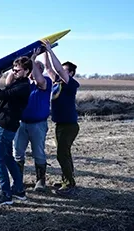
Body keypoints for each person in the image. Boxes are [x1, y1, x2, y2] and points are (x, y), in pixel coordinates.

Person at [0, 56, 32, 205]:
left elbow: (1, 95)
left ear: (27, 71)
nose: (14, 71)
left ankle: (5, 194)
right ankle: (18, 189)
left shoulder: (23, 86)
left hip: (5, 126)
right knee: (7, 158)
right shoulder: (18, 83)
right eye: (13, 69)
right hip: (7, 125)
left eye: (17, 70)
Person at [6, 48, 53, 191]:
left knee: (38, 152)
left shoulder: (46, 82)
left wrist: (32, 60)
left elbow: (40, 80)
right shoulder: (23, 84)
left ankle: (40, 181)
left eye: (35, 68)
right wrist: (13, 68)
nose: (32, 70)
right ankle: (17, 180)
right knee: (17, 153)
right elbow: (8, 83)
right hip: (21, 123)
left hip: (38, 124)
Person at [43, 40, 80, 196]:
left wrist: (51, 51)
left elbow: (57, 67)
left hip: (69, 125)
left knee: (61, 154)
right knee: (65, 153)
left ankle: (69, 184)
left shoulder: (71, 84)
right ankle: (68, 179)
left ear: (70, 73)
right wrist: (43, 50)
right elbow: (49, 68)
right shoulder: (56, 82)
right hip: (60, 124)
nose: (60, 72)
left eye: (64, 71)